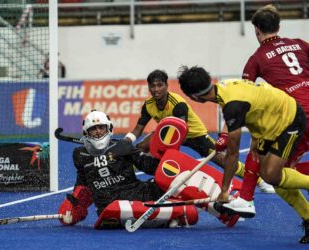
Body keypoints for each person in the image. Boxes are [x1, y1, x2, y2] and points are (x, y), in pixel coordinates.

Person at [177, 65, 309, 244]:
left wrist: (224, 191)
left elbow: (232, 154)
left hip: (289, 120)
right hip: (269, 124)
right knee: (273, 179)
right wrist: (255, 135)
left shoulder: (232, 106)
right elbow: (255, 103)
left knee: (271, 175)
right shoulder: (224, 87)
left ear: (194, 97)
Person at [57, 110, 242, 229]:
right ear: (86, 133)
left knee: (177, 175)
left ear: (109, 129)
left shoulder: (123, 147)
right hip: (110, 204)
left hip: (138, 192)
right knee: (189, 212)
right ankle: (177, 213)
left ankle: (224, 208)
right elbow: (83, 183)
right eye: (93, 129)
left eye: (101, 128)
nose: (97, 132)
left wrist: (165, 157)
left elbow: (149, 167)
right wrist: (75, 205)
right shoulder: (79, 154)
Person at [217, 4, 309, 227]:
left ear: (257, 30)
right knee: (281, 170)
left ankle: (247, 199)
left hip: (297, 118)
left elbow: (242, 100)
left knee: (271, 169)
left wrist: (228, 133)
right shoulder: (300, 44)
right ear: (279, 26)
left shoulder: (256, 58)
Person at [125, 69, 274, 193]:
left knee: (222, 160)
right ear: (148, 87)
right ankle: (127, 178)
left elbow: (180, 131)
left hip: (193, 134)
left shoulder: (178, 105)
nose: (156, 89)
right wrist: (127, 142)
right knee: (139, 147)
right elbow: (139, 128)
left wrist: (159, 148)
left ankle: (260, 180)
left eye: (160, 85)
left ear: (166, 86)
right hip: (169, 132)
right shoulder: (148, 105)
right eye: (153, 86)